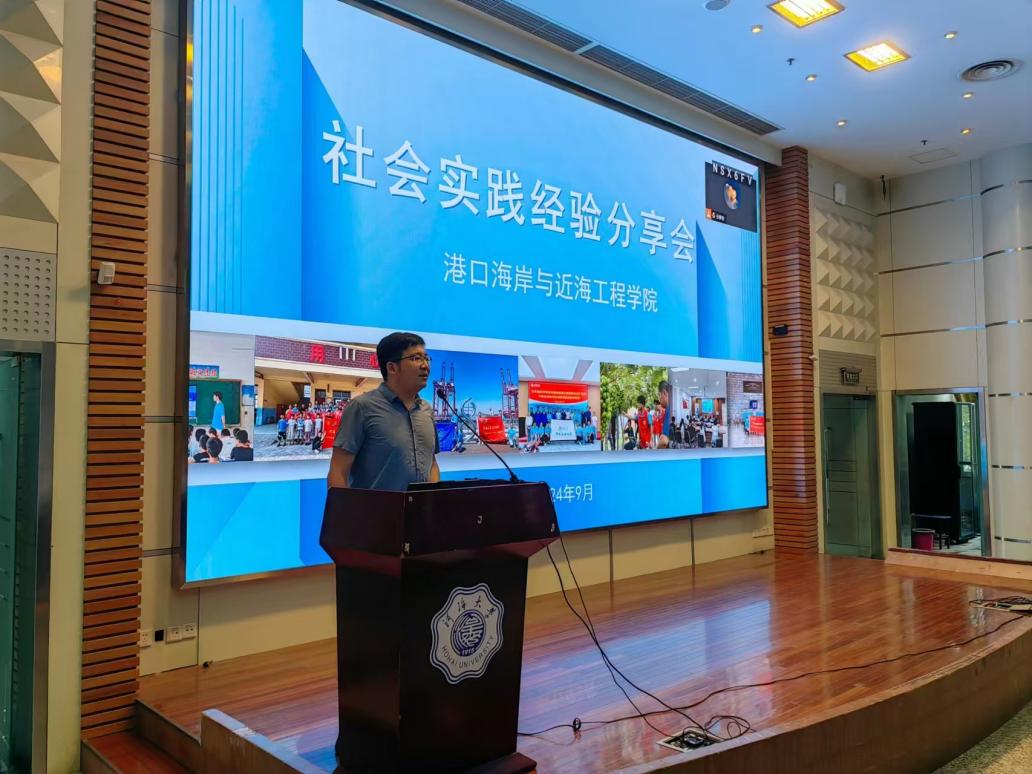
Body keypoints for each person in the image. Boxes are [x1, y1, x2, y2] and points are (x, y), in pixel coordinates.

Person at [327, 332, 440, 490]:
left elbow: (432, 464)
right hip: (374, 506)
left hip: (422, 507)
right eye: (416, 358)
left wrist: (433, 499)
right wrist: (343, 506)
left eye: (426, 358)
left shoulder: (427, 411)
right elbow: (338, 471)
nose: (425, 365)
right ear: (392, 367)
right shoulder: (362, 408)